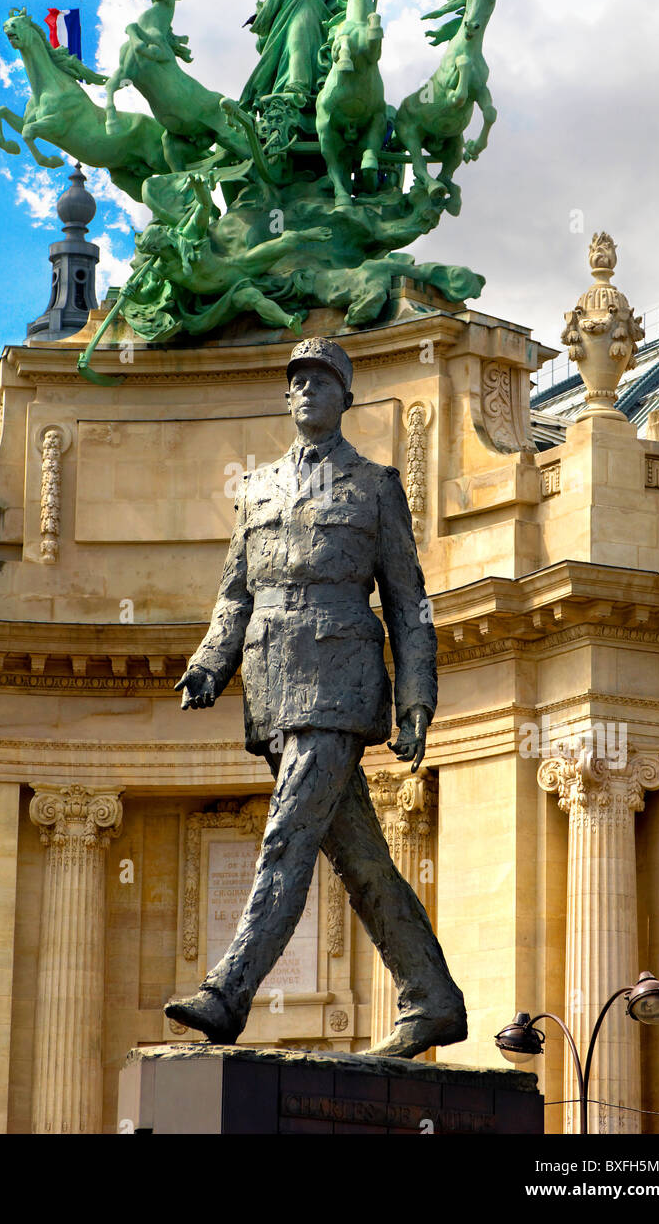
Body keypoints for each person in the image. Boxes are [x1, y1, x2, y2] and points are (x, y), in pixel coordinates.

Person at [167, 336, 467, 1057]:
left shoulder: (373, 485)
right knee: (360, 860)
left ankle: (227, 991)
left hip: (340, 684)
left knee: (287, 838)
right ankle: (431, 996)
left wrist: (415, 699)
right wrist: (211, 662)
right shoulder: (258, 487)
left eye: (320, 381)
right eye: (296, 381)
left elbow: (408, 603)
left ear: (345, 398)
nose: (305, 390)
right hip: (272, 686)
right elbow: (235, 593)